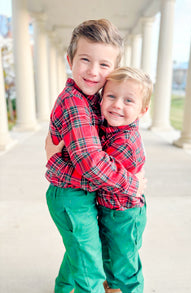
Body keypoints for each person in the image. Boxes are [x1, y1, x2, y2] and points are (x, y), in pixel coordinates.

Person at [45, 19, 146, 293]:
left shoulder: (98, 97)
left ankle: (63, 288)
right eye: (85, 60)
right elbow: (92, 165)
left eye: (104, 65)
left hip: (81, 192)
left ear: (114, 70)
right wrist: (131, 184)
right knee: (90, 269)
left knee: (81, 250)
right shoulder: (75, 104)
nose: (92, 71)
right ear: (70, 59)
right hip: (71, 195)